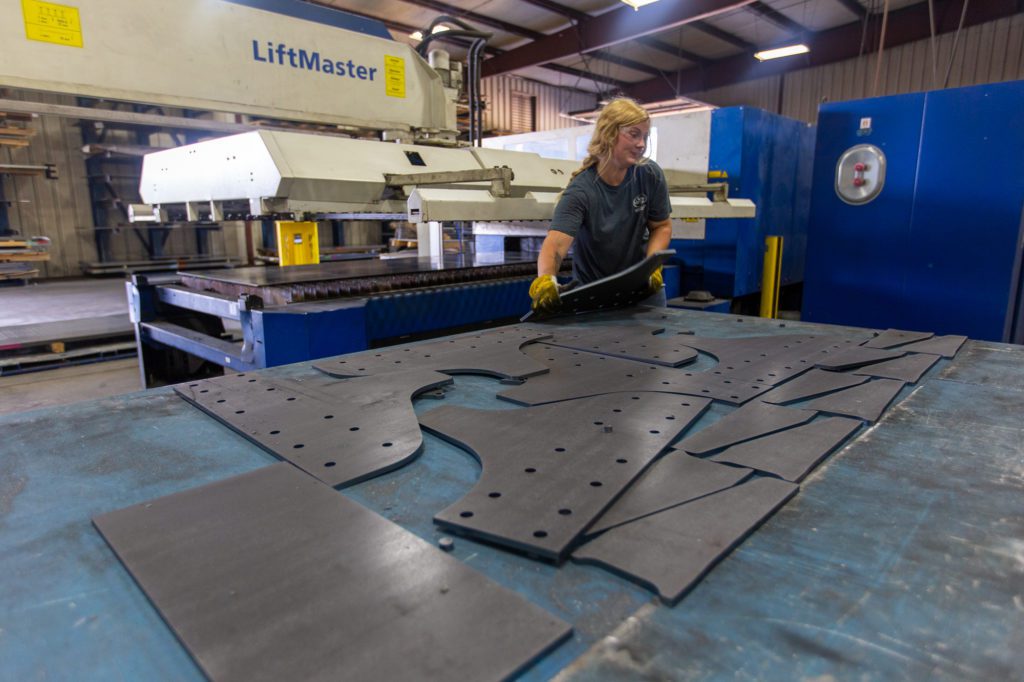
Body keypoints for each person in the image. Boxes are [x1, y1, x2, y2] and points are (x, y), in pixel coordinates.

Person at [529, 97, 672, 312]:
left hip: (643, 292)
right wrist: (546, 281)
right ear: (609, 134)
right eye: (634, 134)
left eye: (644, 136)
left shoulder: (650, 175)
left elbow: (661, 226)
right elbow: (556, 245)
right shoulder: (582, 190)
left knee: (655, 345)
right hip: (595, 297)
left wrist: (652, 266)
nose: (641, 144)